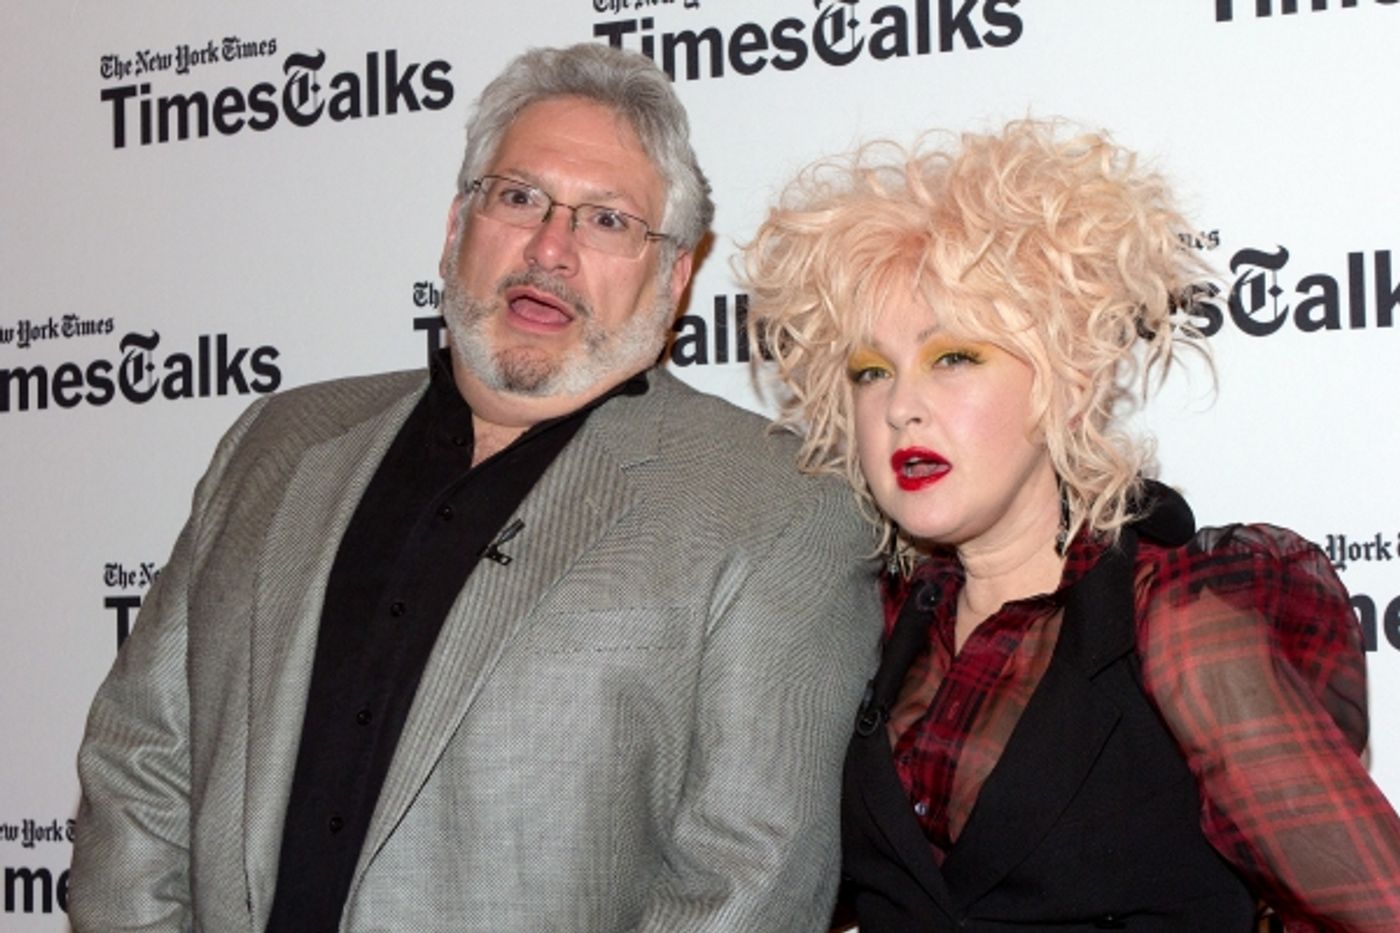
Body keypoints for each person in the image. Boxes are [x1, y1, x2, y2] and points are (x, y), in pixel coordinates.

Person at [70, 43, 879, 932]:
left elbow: (745, 881)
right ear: (458, 225)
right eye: (520, 196)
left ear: (676, 273)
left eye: (608, 220)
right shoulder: (277, 440)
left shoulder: (775, 505)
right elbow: (142, 759)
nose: (550, 248)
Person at [741, 119, 1400, 931]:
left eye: (954, 357)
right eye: (871, 372)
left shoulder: (1178, 620)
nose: (900, 405)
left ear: (1069, 380)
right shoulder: (873, 624)